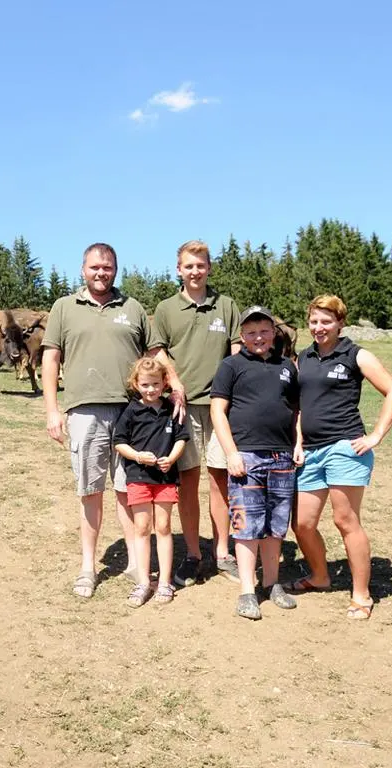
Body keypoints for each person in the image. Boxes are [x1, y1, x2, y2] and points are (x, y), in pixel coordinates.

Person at [43, 243, 179, 599]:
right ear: (83, 269)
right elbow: (51, 358)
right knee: (90, 491)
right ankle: (88, 567)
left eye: (107, 267)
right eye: (94, 268)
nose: (101, 273)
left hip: (130, 414)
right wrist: (52, 410)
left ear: (115, 269)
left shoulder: (132, 308)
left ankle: (137, 561)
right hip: (85, 410)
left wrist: (175, 382)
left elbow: (155, 353)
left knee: (128, 491)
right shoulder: (64, 307)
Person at [286, 295, 392, 620]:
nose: (319, 327)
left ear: (340, 323)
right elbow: (298, 406)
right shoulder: (304, 358)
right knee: (302, 524)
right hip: (309, 451)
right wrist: (298, 441)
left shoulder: (356, 355)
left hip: (345, 450)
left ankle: (361, 595)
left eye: (326, 321)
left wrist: (376, 435)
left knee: (345, 520)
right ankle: (321, 576)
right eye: (314, 321)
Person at [150, 240, 242, 586]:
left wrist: (234, 396)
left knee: (221, 482)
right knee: (187, 482)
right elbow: (158, 350)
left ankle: (222, 553)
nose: (195, 271)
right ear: (179, 269)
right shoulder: (166, 308)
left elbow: (236, 353)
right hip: (181, 409)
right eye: (189, 266)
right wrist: (173, 380)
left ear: (209, 268)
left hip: (220, 408)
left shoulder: (227, 306)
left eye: (201, 265)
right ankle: (192, 554)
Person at [210, 306, 300, 620]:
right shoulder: (231, 366)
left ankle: (272, 584)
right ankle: (248, 590)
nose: (258, 337)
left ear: (273, 333)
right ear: (242, 336)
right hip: (245, 457)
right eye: (251, 332)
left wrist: (297, 443)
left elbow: (295, 410)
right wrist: (231, 453)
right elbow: (218, 411)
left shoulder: (288, 366)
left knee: (276, 526)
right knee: (246, 527)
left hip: (281, 456)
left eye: (264, 330)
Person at [112, 357, 189, 607]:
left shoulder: (171, 408)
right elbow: (119, 442)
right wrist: (137, 456)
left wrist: (173, 458)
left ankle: (165, 581)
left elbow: (181, 438)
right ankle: (144, 582)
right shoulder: (131, 411)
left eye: (155, 384)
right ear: (136, 383)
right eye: (145, 384)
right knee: (142, 528)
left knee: (164, 527)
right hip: (138, 478)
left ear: (164, 383)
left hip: (166, 478)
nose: (150, 389)